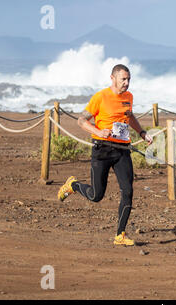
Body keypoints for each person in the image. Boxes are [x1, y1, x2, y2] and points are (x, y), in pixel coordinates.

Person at [57, 64, 152, 246]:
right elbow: (81, 120)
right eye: (123, 79)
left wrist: (142, 133)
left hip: (122, 151)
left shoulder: (129, 97)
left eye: (129, 79)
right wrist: (97, 131)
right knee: (96, 196)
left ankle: (120, 235)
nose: (126, 83)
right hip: (102, 150)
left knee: (128, 191)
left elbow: (129, 116)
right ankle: (73, 185)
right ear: (113, 78)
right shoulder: (100, 97)